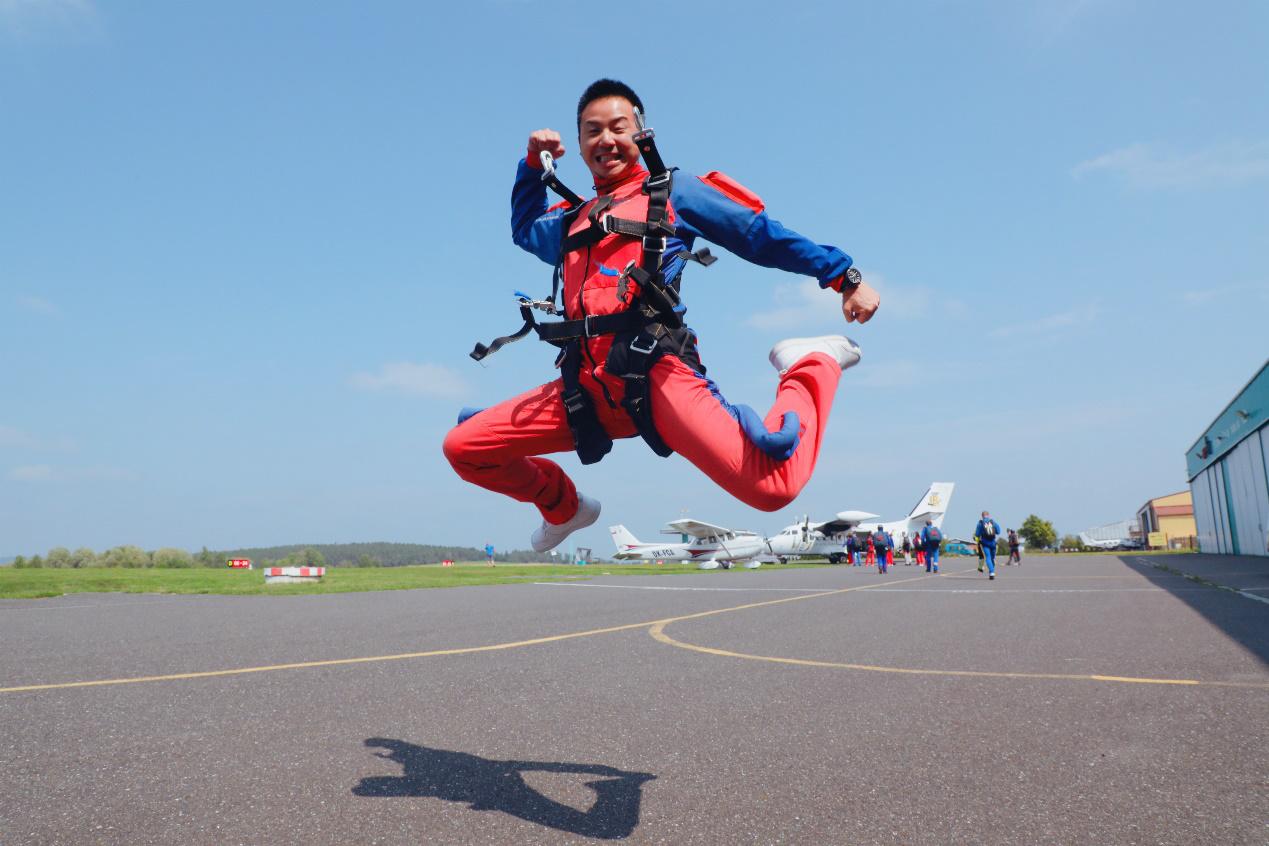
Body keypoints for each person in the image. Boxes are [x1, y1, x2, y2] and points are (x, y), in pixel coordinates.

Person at [443, 79, 881, 552]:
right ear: (581, 144)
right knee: (464, 447)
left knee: (773, 488)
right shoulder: (572, 220)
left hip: (656, 375)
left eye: (618, 127)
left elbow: (759, 234)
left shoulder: (675, 192)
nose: (606, 139)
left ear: (642, 133)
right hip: (584, 388)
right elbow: (525, 228)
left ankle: (809, 365)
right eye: (592, 131)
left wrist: (844, 277)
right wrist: (531, 166)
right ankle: (565, 507)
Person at [974, 510, 1002, 580]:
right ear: (988, 515)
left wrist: (976, 538)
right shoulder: (993, 522)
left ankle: (992, 572)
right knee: (992, 558)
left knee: (988, 557)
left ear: (982, 516)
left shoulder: (980, 523)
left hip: (985, 543)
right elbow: (998, 532)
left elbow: (977, 534)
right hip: (993, 543)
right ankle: (991, 571)